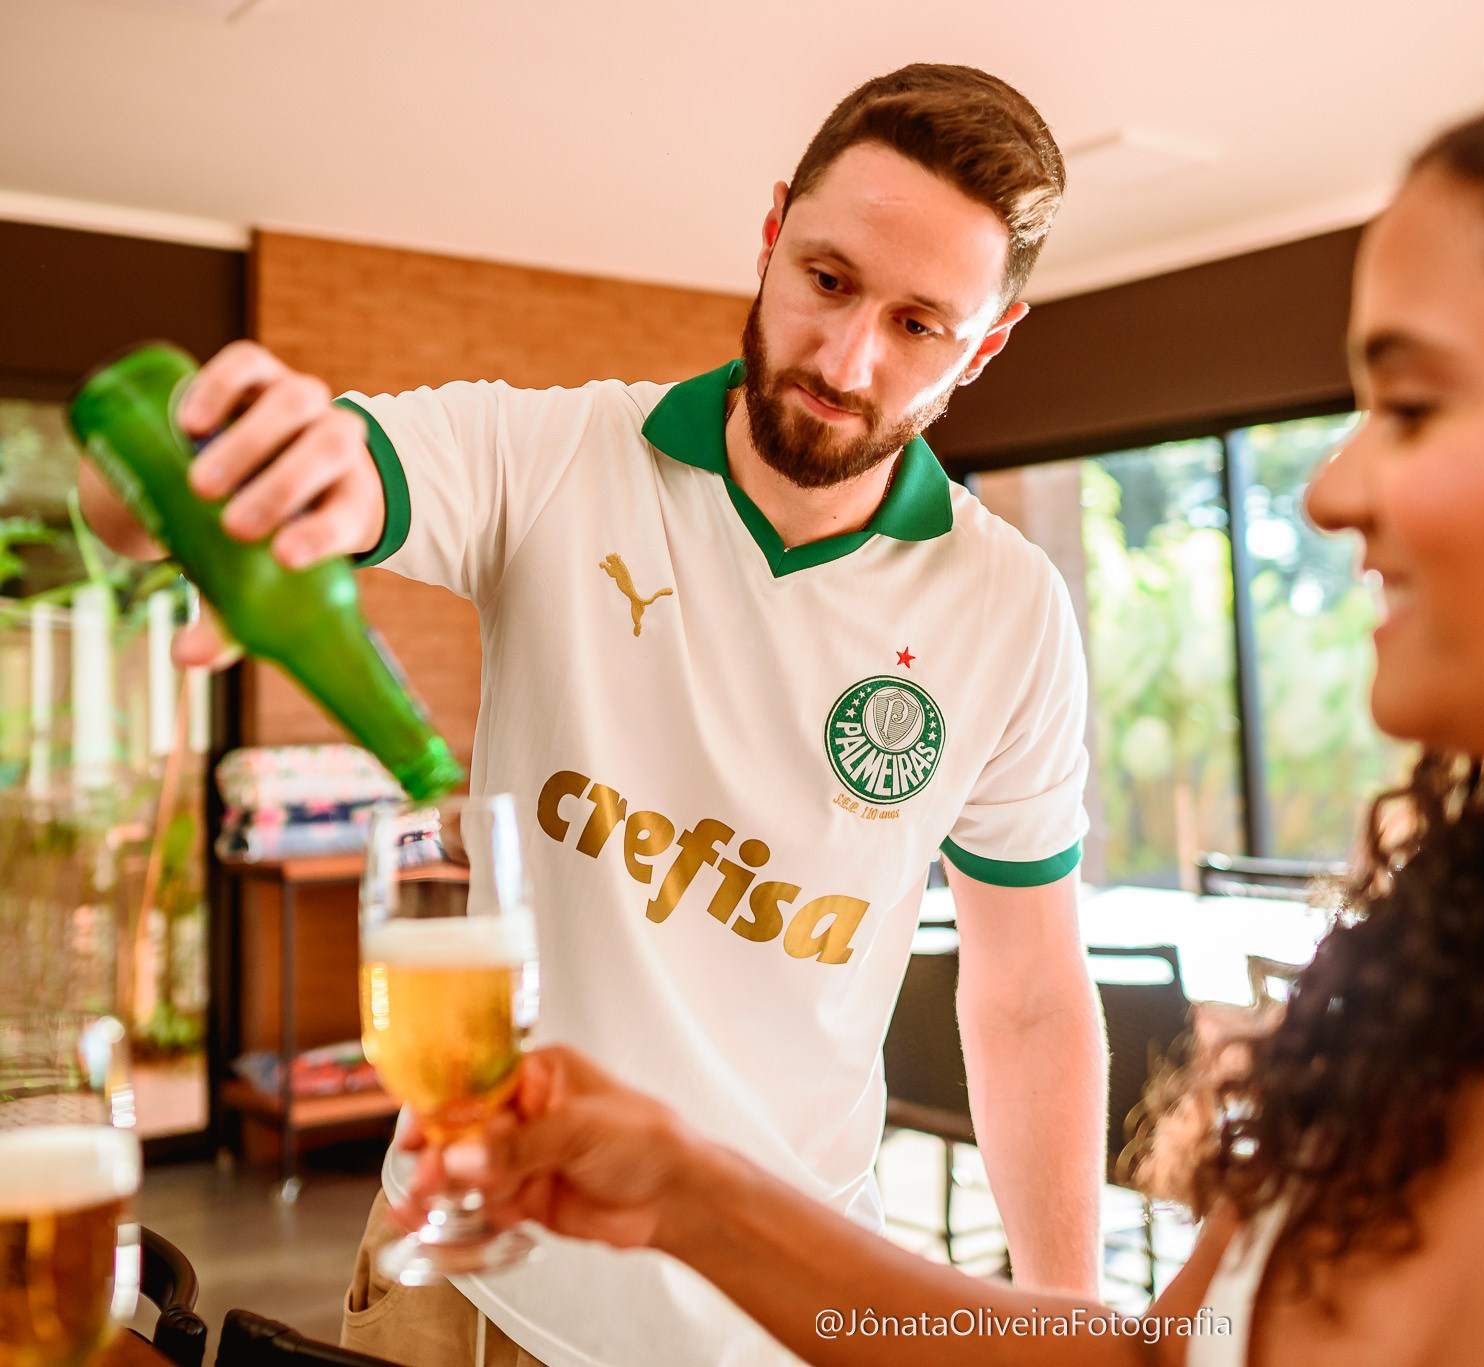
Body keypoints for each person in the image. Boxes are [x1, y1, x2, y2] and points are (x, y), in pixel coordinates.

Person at [401, 32, 1484, 1367]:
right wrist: (689, 1195)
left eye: (1411, 400)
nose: (1330, 494)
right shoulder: (1421, 999)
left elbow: (1029, 991)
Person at [81, 65, 1110, 1367]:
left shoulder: (1009, 613)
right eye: (829, 281)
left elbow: (1024, 995)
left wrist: (1072, 1327)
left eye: (919, 325)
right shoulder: (554, 458)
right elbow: (185, 490)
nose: (846, 360)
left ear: (988, 342)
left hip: (781, 1310)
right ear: (773, 230)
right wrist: (210, 455)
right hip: (466, 1278)